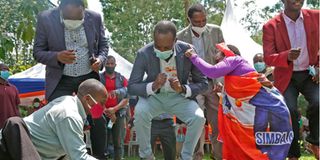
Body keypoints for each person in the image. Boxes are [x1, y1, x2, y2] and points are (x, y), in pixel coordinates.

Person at [185, 43, 293, 160]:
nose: (215, 58)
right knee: (252, 140)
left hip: (264, 107)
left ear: (225, 53)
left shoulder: (234, 59)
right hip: (261, 109)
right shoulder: (236, 68)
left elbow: (212, 72)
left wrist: (193, 56)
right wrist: (224, 90)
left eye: (217, 53)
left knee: (258, 139)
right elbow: (241, 93)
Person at [128, 20, 207, 160]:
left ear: (175, 40)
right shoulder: (144, 53)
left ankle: (186, 156)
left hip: (178, 98)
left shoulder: (188, 50)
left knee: (199, 118)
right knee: (139, 113)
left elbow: (203, 83)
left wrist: (182, 88)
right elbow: (132, 86)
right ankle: (146, 156)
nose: (162, 50)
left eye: (167, 47)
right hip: (154, 98)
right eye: (158, 46)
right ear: (153, 40)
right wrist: (153, 86)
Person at [262, 0, 319, 159]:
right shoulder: (271, 26)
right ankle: (293, 154)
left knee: (318, 101)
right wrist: (285, 56)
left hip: (311, 73)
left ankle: (315, 142)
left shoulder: (316, 16)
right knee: (290, 110)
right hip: (287, 76)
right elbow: (268, 58)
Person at [0, 78, 107, 160]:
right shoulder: (69, 114)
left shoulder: (69, 102)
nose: (103, 107)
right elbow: (79, 157)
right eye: (101, 103)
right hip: (12, 147)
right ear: (87, 98)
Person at [33, 0, 108, 102]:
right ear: (61, 10)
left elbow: (103, 46)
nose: (74, 25)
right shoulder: (46, 18)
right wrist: (57, 56)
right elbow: (37, 52)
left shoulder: (95, 17)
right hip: (59, 81)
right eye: (70, 20)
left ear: (83, 10)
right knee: (58, 115)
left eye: (79, 19)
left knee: (95, 115)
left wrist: (100, 59)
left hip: (89, 78)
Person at [177, 3, 224, 159]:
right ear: (189, 20)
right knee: (195, 121)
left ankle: (218, 155)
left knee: (217, 123)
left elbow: (222, 58)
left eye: (204, 20)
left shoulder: (216, 31)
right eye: (197, 22)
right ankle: (197, 155)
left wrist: (219, 79)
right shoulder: (180, 37)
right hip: (193, 85)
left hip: (213, 84)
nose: (201, 24)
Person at [90, 55, 129, 160]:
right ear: (104, 65)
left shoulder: (121, 79)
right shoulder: (98, 78)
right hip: (101, 113)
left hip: (119, 113)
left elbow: (127, 98)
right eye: (107, 64)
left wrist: (114, 110)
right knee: (102, 142)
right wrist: (106, 111)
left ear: (115, 65)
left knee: (118, 142)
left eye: (112, 64)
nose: (110, 65)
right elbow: (94, 97)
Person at [0, 63, 20, 128]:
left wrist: (19, 119)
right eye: (4, 69)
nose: (6, 71)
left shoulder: (14, 88)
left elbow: (17, 106)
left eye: (8, 70)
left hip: (12, 123)